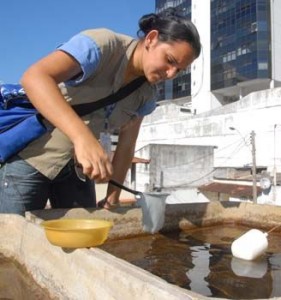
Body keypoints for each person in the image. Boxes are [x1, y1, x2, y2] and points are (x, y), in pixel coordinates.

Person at [0, 9, 201, 215]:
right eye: (170, 60)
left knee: (83, 241)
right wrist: (82, 137)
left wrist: (112, 197)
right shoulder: (102, 45)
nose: (171, 74)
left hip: (79, 173)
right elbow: (35, 77)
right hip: (31, 159)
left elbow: (126, 146)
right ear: (151, 39)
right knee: (13, 238)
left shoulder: (147, 94)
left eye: (179, 70)